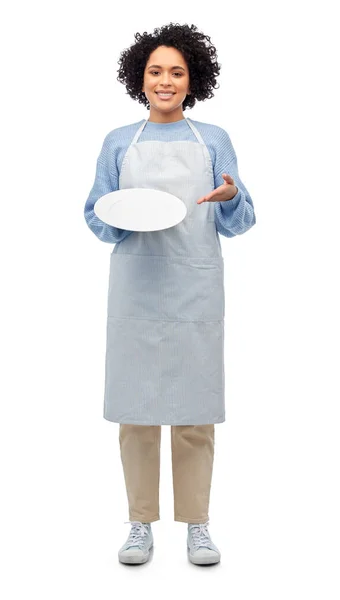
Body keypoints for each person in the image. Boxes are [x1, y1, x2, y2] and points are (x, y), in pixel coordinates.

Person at [84, 22, 256, 566]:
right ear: (140, 78)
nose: (165, 80)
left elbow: (241, 219)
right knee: (135, 411)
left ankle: (197, 525)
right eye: (155, 71)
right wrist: (120, 216)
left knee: (194, 411)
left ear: (192, 80)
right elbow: (95, 213)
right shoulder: (117, 142)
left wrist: (230, 196)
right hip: (135, 288)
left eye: (176, 72)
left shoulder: (216, 140)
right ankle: (140, 524)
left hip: (194, 285)